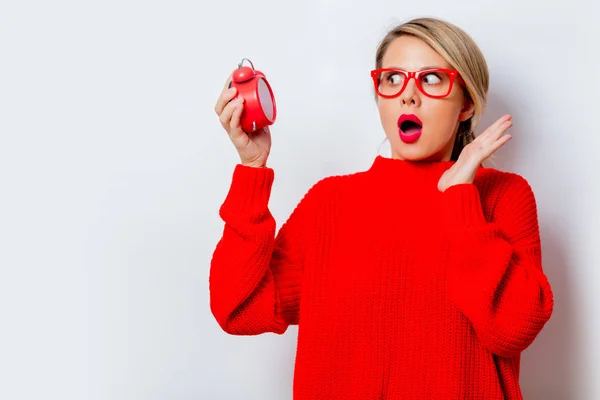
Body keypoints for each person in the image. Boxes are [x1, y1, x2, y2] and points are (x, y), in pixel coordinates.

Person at [209, 16, 554, 400]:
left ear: (467, 104)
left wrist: (460, 198)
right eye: (392, 79)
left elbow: (513, 329)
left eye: (431, 79)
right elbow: (237, 308)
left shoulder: (503, 196)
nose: (408, 95)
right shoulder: (330, 204)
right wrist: (251, 170)